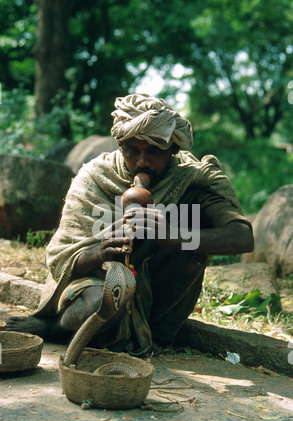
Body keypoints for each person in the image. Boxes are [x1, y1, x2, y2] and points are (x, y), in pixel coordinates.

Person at [7, 93, 254, 356]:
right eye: (132, 150)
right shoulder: (95, 176)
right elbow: (63, 256)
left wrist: (178, 237)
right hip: (98, 281)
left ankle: (153, 330)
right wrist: (98, 252)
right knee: (103, 302)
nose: (142, 162)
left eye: (154, 151)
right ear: (119, 145)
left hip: (159, 290)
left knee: (192, 223)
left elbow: (242, 238)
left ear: (173, 149)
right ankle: (55, 326)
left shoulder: (193, 179)